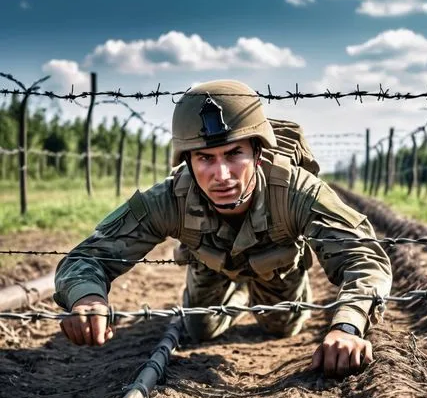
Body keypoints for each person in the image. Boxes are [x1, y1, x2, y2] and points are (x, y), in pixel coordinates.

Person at [54, 79, 392, 377]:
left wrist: (348, 325)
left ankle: (258, 294)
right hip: (210, 267)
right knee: (199, 329)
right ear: (187, 161)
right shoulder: (170, 199)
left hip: (277, 271)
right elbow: (90, 256)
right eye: (205, 158)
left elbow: (362, 257)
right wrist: (88, 299)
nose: (222, 175)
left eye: (234, 154)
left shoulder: (295, 190)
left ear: (258, 153)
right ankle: (234, 294)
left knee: (283, 327)